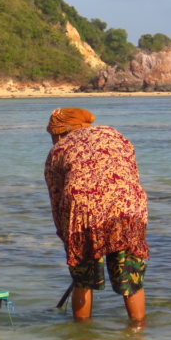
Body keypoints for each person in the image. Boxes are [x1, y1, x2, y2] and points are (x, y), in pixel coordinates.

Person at [44, 108, 149, 324]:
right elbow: (132, 175)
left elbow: (57, 200)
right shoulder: (114, 134)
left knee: (83, 281)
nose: (53, 140)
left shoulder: (58, 151)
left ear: (62, 132)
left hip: (84, 216)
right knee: (131, 279)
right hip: (128, 211)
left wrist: (69, 239)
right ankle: (138, 337)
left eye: (53, 135)